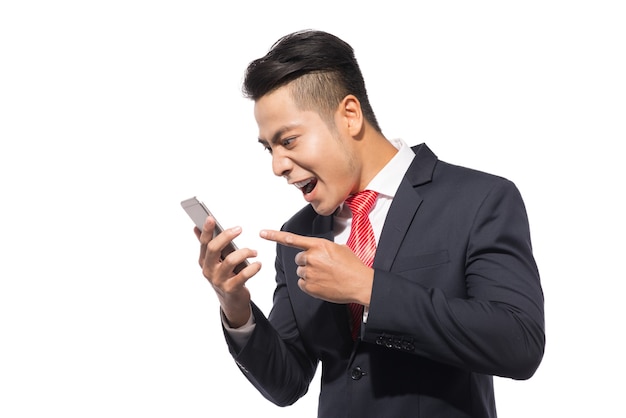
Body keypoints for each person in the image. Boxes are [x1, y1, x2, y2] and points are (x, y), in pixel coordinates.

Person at [194, 29, 545, 417]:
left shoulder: (479, 200)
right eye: (269, 148)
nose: (277, 166)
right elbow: (287, 382)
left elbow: (519, 343)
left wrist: (370, 289)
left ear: (349, 115)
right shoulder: (298, 235)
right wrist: (236, 307)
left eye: (289, 141)